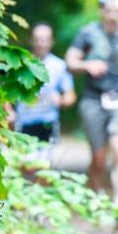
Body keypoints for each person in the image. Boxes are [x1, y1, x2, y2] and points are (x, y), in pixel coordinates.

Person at [65, 0, 118, 208]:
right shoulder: (87, 33)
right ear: (101, 11)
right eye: (109, 10)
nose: (114, 14)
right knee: (98, 159)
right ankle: (98, 199)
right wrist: (87, 65)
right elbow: (70, 61)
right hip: (94, 98)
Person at [15, 23, 76, 162]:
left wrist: (61, 100)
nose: (41, 44)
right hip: (23, 122)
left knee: (44, 165)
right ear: (31, 40)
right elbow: (5, 92)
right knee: (25, 164)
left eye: (45, 40)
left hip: (48, 122)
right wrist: (9, 112)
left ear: (51, 42)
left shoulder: (60, 66)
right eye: (37, 39)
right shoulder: (19, 64)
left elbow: (70, 96)